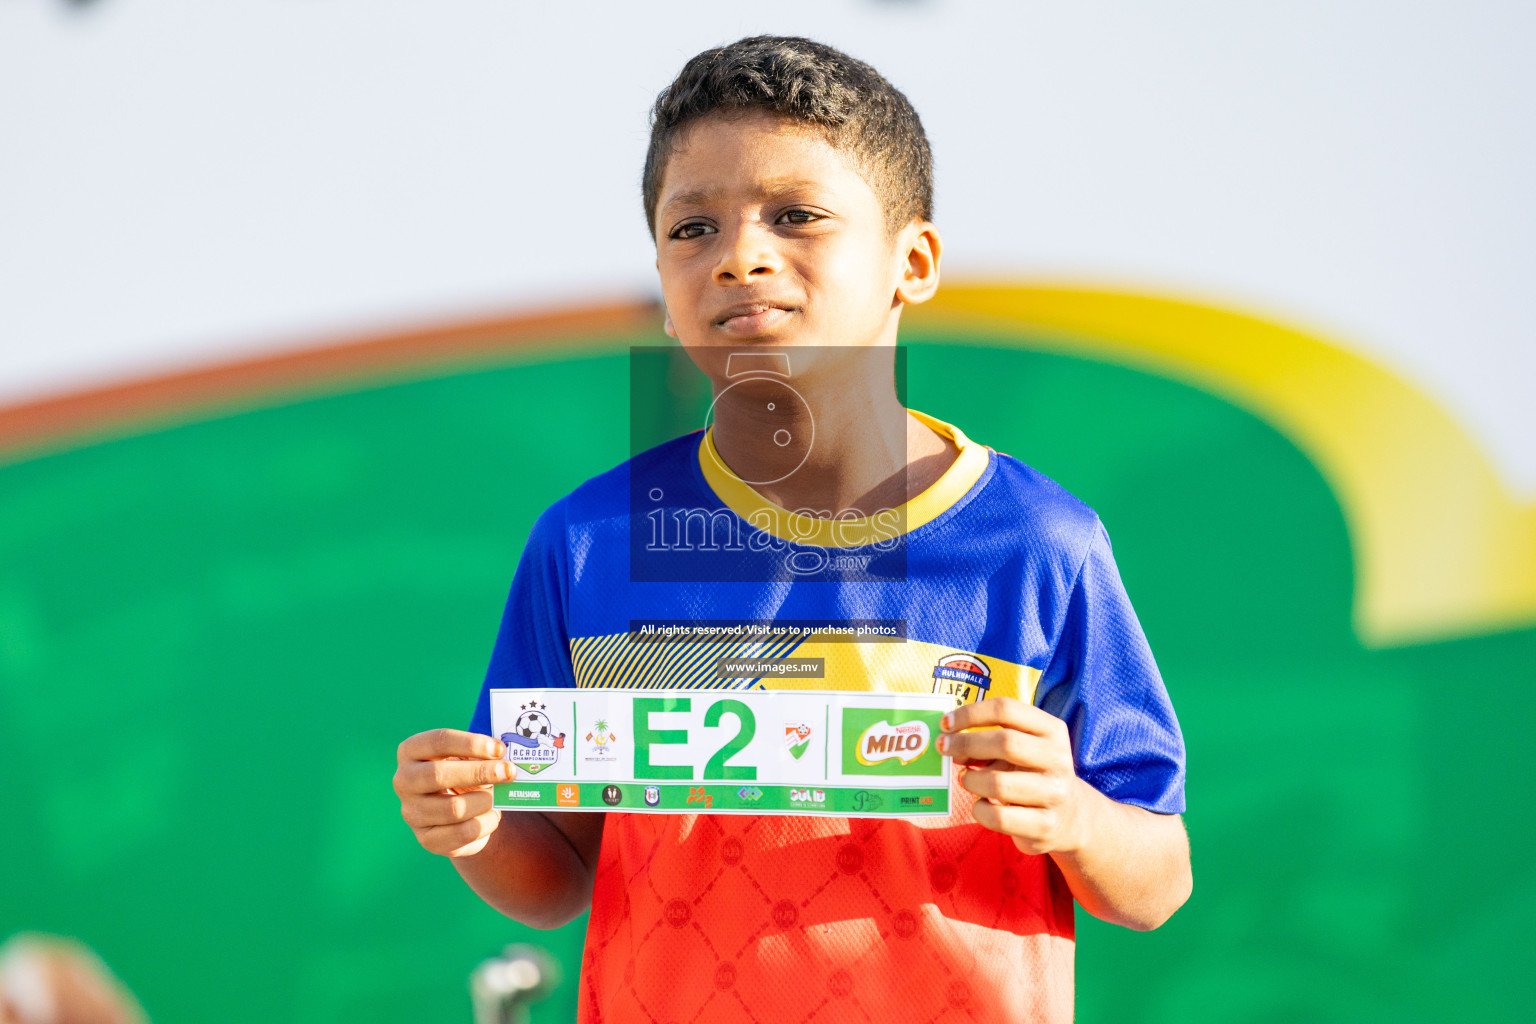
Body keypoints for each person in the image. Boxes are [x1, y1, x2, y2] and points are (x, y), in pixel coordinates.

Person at [394, 35, 1191, 1022]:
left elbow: (1156, 881)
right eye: (692, 228)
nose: (740, 256)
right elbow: (557, 872)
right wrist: (472, 827)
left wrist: (1069, 813)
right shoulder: (589, 541)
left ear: (915, 260)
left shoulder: (1039, 542)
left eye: (797, 216)